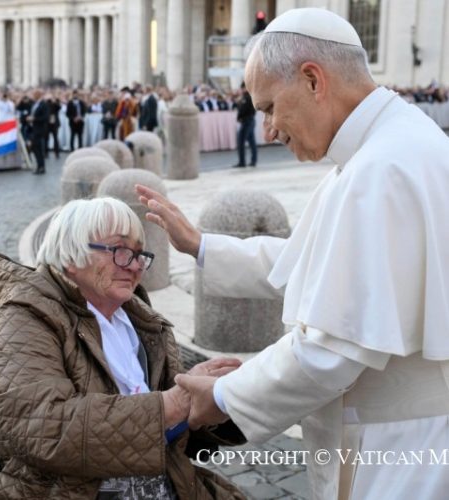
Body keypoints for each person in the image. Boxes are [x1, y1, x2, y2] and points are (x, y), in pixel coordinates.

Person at [137, 7, 449, 500]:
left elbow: (331, 349)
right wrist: (201, 245)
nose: (267, 130)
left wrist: (224, 396)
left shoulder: (380, 170)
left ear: (312, 80)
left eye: (268, 107)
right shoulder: (388, 146)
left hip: (398, 450)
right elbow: (318, 265)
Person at [0, 197, 246, 500]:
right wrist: (176, 403)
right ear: (71, 254)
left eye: (139, 254)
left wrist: (206, 399)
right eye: (119, 250)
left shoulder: (140, 321)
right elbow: (45, 429)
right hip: (41, 487)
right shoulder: (22, 318)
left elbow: (169, 422)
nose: (135, 266)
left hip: (152, 479)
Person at [233, 82, 257, 168]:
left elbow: (243, 109)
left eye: (242, 88)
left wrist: (239, 117)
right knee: (252, 142)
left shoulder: (246, 97)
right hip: (250, 120)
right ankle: (253, 161)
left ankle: (242, 162)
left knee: (241, 141)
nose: (241, 90)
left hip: (246, 121)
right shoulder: (251, 96)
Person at [27, 88, 49, 174]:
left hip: (39, 129)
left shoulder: (44, 105)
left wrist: (34, 119)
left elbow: (45, 117)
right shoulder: (34, 104)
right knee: (35, 148)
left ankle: (41, 166)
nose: (33, 96)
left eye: (34, 94)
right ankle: (40, 166)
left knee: (38, 148)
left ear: (38, 95)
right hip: (33, 128)